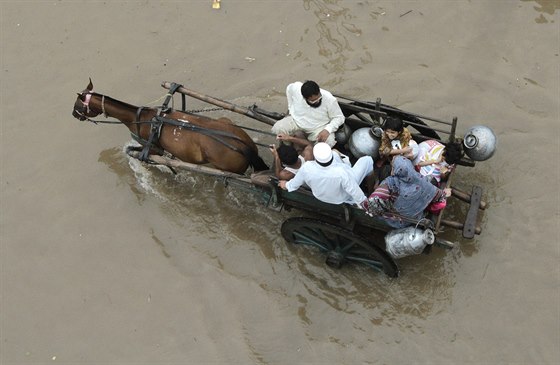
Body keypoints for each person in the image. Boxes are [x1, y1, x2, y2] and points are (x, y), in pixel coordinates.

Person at [278, 142, 374, 208]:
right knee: (368, 160)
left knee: (336, 154)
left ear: (316, 157)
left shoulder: (306, 168)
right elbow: (354, 191)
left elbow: (293, 185)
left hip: (320, 196)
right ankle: (371, 190)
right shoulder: (341, 173)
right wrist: (365, 204)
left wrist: (285, 184)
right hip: (341, 198)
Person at [366, 156, 451, 228]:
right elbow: (440, 196)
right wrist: (446, 192)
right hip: (416, 218)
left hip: (398, 222)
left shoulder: (391, 183)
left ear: (394, 171)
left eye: (393, 168)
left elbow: (371, 205)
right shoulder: (422, 180)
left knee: (385, 171)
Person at [271, 80, 345, 147]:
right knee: (278, 128)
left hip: (318, 128)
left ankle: (315, 153)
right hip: (296, 121)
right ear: (304, 98)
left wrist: (327, 130)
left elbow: (339, 117)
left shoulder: (329, 99)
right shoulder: (296, 88)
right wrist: (290, 107)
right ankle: (289, 145)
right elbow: (289, 88)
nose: (317, 101)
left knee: (329, 141)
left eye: (319, 98)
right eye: (313, 101)